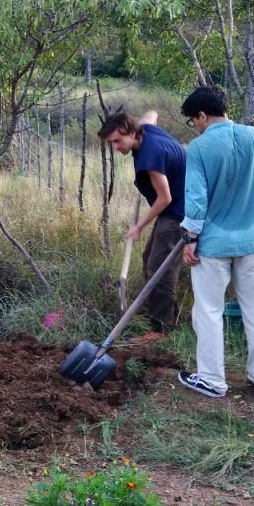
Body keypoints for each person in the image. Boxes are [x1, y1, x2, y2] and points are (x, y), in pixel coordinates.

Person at [176, 86, 254, 399]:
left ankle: (212, 380)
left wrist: (190, 238)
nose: (195, 126)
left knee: (209, 311)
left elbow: (196, 200)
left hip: (212, 245)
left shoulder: (199, 148)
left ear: (202, 115)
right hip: (253, 241)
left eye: (193, 120)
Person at [99, 109, 187, 336]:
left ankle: (161, 329)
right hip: (176, 205)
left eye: (118, 141)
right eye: (112, 143)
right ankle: (165, 313)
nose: (116, 147)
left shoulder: (150, 156)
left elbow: (164, 198)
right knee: (150, 259)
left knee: (160, 268)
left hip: (179, 211)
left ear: (130, 132)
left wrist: (139, 226)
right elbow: (153, 113)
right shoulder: (145, 129)